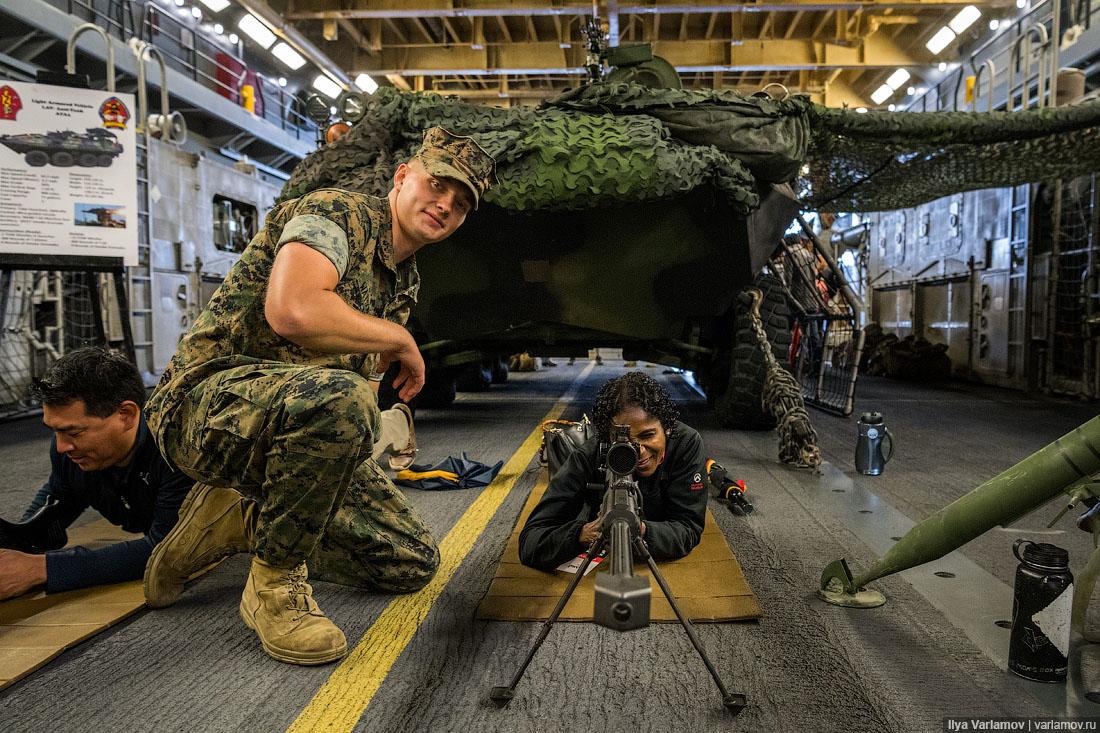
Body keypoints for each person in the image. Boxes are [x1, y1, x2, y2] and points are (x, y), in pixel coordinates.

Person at [142, 127, 496, 666]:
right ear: (402, 177)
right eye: (437, 184)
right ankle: (274, 586)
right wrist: (400, 338)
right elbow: (294, 309)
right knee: (343, 400)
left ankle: (245, 522)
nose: (446, 204)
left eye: (462, 202)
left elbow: (357, 399)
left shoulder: (402, 281)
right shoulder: (336, 214)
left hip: (298, 416)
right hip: (203, 406)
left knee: (410, 561)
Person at [0, 347, 193, 600]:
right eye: (55, 431)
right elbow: (60, 496)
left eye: (74, 433)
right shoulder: (70, 451)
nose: (61, 447)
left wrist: (40, 569)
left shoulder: (179, 447)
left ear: (125, 415)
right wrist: (13, 543)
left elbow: (168, 549)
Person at [518, 372, 708, 570]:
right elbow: (531, 541)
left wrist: (642, 530)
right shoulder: (589, 455)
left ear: (667, 428)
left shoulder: (685, 444)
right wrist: (582, 534)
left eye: (647, 435)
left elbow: (689, 528)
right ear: (607, 437)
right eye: (623, 442)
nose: (639, 452)